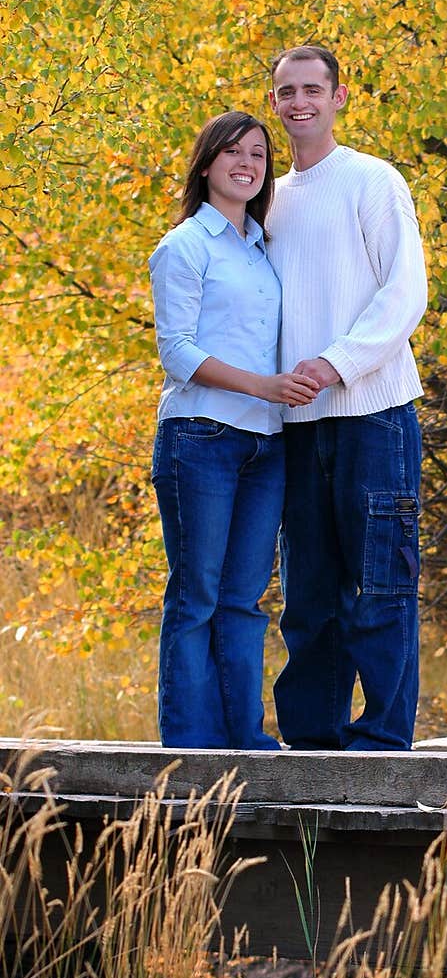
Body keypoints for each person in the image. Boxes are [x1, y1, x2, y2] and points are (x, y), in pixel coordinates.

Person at [267, 44, 428, 752]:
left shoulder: (372, 180)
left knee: (380, 587)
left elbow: (405, 294)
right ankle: (312, 739)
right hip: (296, 425)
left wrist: (335, 364)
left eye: (311, 89)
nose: (298, 101)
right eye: (285, 91)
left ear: (338, 97)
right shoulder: (267, 199)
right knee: (307, 597)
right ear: (273, 103)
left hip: (375, 417)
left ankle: (383, 741)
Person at [149, 110, 319, 751]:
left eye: (258, 153)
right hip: (202, 439)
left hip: (266, 445)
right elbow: (179, 354)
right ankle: (191, 747)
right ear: (206, 164)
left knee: (244, 601)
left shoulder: (261, 249)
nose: (247, 164)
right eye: (232, 153)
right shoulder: (185, 247)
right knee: (196, 596)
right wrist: (264, 387)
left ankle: (245, 740)